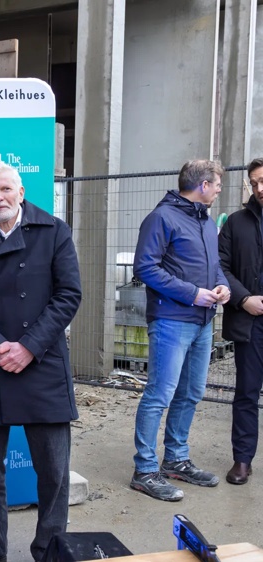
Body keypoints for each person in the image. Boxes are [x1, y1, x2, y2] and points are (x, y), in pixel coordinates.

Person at [0, 161, 82, 562]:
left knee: (54, 472)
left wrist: (28, 346)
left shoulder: (54, 231)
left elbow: (68, 295)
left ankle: (49, 549)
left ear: (21, 192)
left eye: (6, 190)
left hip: (41, 363)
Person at [130, 159, 231, 501]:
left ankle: (176, 459)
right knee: (160, 395)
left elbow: (215, 265)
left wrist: (220, 287)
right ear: (203, 185)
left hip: (203, 322)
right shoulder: (162, 218)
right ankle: (144, 470)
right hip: (172, 321)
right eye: (216, 184)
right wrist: (192, 293)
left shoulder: (204, 222)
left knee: (190, 393)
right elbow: (145, 266)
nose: (219, 189)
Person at [218, 158, 263, 485]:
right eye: (254, 183)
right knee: (247, 391)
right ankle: (242, 460)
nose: (259, 189)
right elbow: (220, 268)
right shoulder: (236, 223)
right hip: (251, 322)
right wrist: (244, 299)